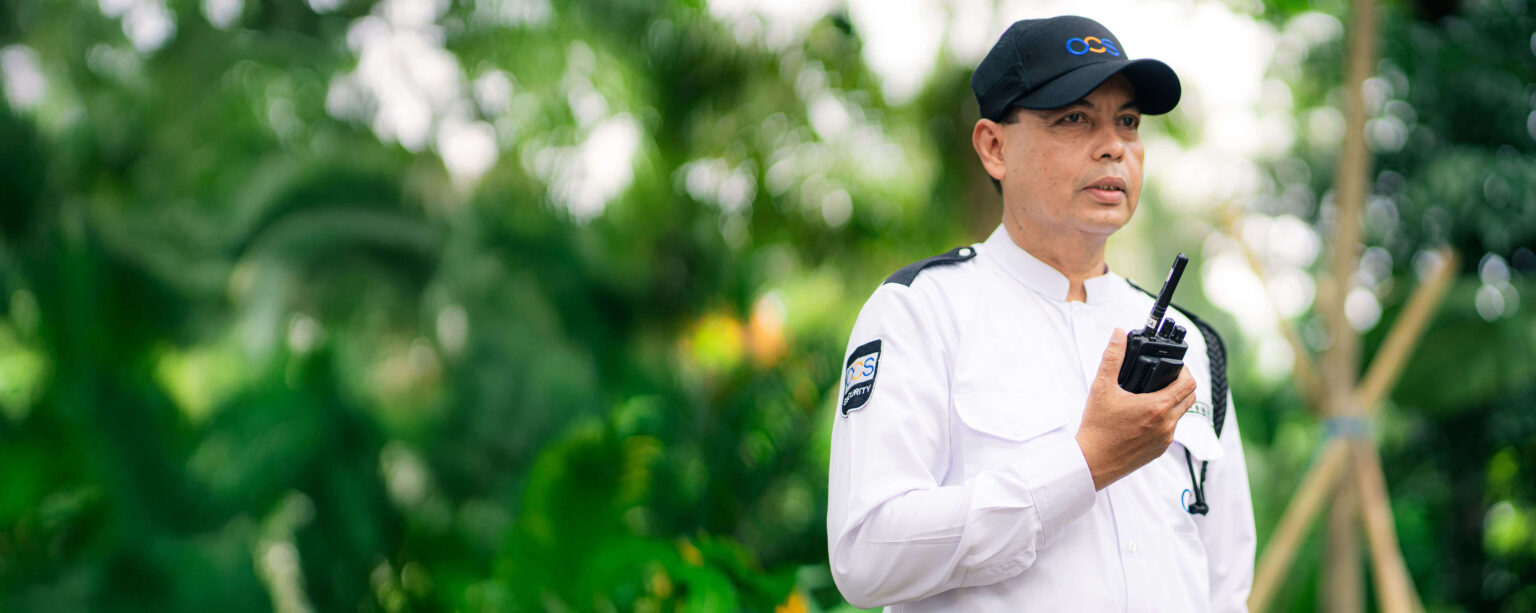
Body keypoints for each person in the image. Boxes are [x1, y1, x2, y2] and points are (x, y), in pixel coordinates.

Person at [826, 15, 1256, 612]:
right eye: (1074, 118)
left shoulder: (1194, 343)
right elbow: (866, 555)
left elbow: (1225, 583)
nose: (1113, 145)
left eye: (1127, 121)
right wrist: (1085, 464)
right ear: (994, 147)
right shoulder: (920, 312)